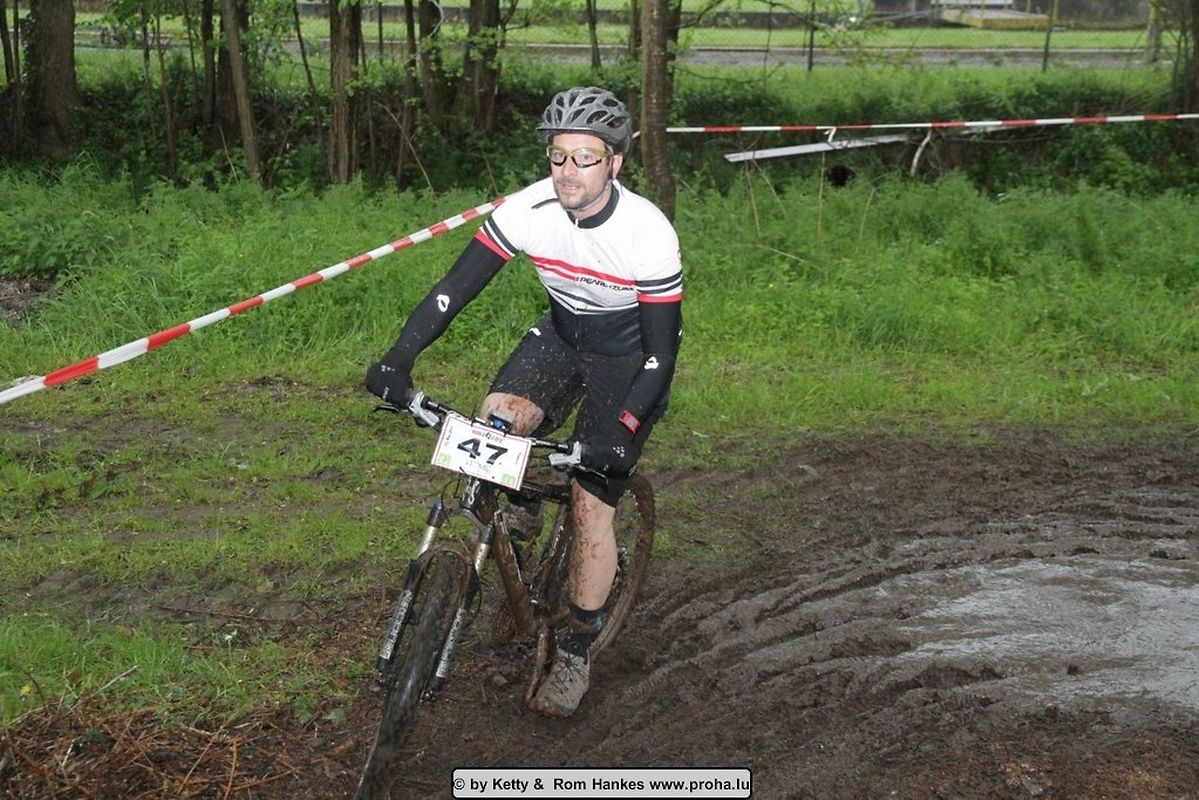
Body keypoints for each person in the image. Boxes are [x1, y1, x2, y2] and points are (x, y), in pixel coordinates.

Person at [365, 86, 683, 717]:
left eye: (585, 158)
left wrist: (623, 428)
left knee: (591, 505)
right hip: (562, 334)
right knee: (498, 419)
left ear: (615, 162)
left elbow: (660, 353)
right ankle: (521, 511)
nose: (568, 171)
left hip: (629, 355)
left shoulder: (647, 231)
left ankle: (575, 650)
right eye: (558, 156)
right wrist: (398, 359)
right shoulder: (528, 209)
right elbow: (453, 291)